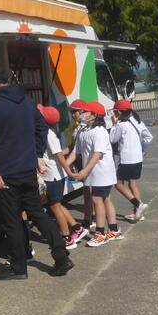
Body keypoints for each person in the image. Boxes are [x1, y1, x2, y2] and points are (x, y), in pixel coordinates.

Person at [0, 70, 72, 279]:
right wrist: (38, 154)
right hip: (28, 169)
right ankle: (61, 257)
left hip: (5, 172)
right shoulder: (28, 102)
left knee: (11, 219)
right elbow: (41, 129)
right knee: (38, 213)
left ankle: (18, 267)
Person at [65, 101, 122, 247]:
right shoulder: (84, 131)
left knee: (97, 199)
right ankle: (114, 230)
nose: (82, 114)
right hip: (93, 172)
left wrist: (84, 171)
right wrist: (65, 166)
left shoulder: (100, 131)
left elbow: (97, 154)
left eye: (85, 112)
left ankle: (100, 233)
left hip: (102, 172)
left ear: (94, 115)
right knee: (105, 200)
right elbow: (76, 152)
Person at [36, 104, 89, 250]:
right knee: (56, 204)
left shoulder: (47, 134)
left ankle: (67, 237)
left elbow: (59, 155)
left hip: (53, 175)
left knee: (55, 206)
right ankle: (77, 228)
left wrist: (70, 172)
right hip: (53, 175)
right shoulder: (46, 132)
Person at [109, 99, 153, 222]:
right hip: (138, 159)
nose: (114, 114)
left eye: (115, 112)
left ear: (118, 112)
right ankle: (138, 213)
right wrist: (142, 148)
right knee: (132, 184)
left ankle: (138, 204)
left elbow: (112, 139)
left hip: (127, 160)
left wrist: (114, 124)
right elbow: (149, 137)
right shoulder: (137, 121)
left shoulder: (121, 125)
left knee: (118, 184)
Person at [66, 98, 94, 231]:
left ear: (83, 112)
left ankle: (92, 220)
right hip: (81, 162)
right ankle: (89, 218)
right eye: (71, 112)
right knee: (87, 192)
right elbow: (73, 148)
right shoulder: (76, 127)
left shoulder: (88, 127)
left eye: (75, 112)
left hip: (88, 163)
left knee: (92, 193)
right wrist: (61, 156)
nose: (73, 115)